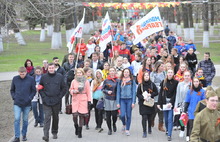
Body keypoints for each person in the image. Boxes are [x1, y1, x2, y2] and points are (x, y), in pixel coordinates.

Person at [39, 63, 66, 142]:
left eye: (52, 68)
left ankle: (54, 132)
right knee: (47, 117)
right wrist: (44, 97)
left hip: (56, 100)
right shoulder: (43, 77)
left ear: (55, 68)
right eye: (49, 68)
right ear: (47, 68)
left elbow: (64, 88)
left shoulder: (59, 77)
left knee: (55, 117)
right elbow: (40, 88)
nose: (51, 69)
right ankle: (45, 135)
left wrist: (59, 97)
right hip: (46, 100)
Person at [10, 67, 36, 142]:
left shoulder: (31, 79)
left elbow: (33, 90)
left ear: (26, 72)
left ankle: (24, 134)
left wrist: (30, 98)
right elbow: (12, 90)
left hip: (27, 103)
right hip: (17, 103)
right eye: (20, 74)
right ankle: (17, 137)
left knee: (25, 120)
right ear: (18, 72)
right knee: (17, 119)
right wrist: (14, 97)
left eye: (23, 74)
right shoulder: (15, 79)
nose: (22, 75)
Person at [69, 68, 91, 138]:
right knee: (75, 115)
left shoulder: (86, 82)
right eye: (78, 73)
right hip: (75, 98)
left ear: (82, 74)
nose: (79, 74)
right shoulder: (73, 81)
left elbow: (88, 91)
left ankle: (80, 131)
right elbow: (70, 89)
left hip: (83, 99)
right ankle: (76, 126)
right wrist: (73, 91)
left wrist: (89, 100)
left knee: (81, 115)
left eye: (80, 73)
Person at [157, 69, 178, 141]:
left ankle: (169, 134)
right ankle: (167, 129)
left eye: (171, 72)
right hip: (164, 103)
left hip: (171, 103)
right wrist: (159, 103)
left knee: (170, 119)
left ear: (173, 74)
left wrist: (171, 102)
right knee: (165, 119)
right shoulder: (163, 82)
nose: (170, 74)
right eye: (169, 72)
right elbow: (160, 93)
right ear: (167, 73)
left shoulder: (176, 83)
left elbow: (175, 94)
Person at [183, 77, 206, 142]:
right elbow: (187, 101)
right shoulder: (189, 91)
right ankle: (191, 139)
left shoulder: (202, 91)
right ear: (192, 83)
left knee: (199, 128)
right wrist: (184, 111)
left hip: (199, 113)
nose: (196, 83)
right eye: (194, 82)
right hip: (191, 112)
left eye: (197, 81)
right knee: (191, 127)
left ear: (199, 82)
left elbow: (204, 102)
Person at [137, 72, 158, 138]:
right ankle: (144, 131)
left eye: (147, 75)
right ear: (143, 77)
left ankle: (149, 127)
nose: (146, 76)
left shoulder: (152, 84)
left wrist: (151, 95)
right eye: (145, 75)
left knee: (150, 117)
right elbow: (138, 94)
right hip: (143, 104)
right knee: (144, 117)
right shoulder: (141, 85)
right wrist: (143, 98)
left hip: (150, 104)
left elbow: (156, 92)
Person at [117, 68, 136, 136]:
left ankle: (127, 129)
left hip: (129, 99)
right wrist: (117, 102)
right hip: (122, 99)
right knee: (122, 115)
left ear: (129, 73)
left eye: (127, 72)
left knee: (128, 115)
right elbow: (118, 92)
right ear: (123, 73)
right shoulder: (120, 81)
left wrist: (133, 102)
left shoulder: (132, 81)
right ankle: (124, 124)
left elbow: (134, 91)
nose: (126, 73)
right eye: (125, 72)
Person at [102, 67, 119, 135]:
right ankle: (109, 129)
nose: (112, 72)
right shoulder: (106, 80)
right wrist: (107, 91)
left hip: (114, 99)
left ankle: (114, 123)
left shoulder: (118, 80)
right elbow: (103, 89)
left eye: (113, 71)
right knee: (108, 115)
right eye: (110, 71)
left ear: (115, 72)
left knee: (114, 114)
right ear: (109, 72)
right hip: (108, 99)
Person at [174, 71, 191, 137]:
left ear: (190, 76)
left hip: (189, 104)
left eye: (188, 76)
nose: (187, 77)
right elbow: (177, 95)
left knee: (189, 119)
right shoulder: (180, 84)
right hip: (181, 103)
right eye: (185, 76)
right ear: (183, 76)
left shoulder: (192, 85)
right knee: (181, 118)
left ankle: (188, 134)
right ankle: (182, 129)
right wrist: (176, 105)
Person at [150, 61, 166, 132]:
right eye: (161, 66)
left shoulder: (164, 73)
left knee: (161, 111)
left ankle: (160, 125)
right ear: (158, 66)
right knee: (154, 110)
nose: (163, 67)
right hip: (155, 93)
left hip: (162, 93)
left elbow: (166, 82)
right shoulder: (153, 74)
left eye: (163, 66)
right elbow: (151, 83)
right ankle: (152, 120)